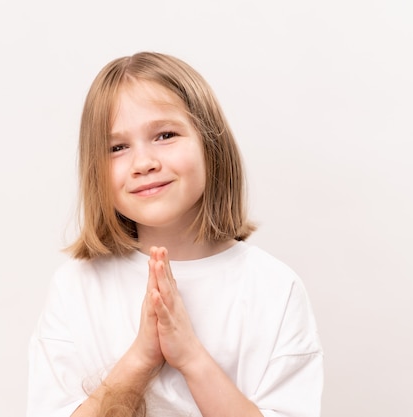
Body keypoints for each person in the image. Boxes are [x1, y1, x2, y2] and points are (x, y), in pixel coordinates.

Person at [27, 51, 324, 417]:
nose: (143, 163)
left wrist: (190, 356)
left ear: (210, 145)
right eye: (117, 147)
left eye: (165, 135)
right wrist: (141, 358)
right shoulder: (76, 288)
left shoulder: (275, 289)